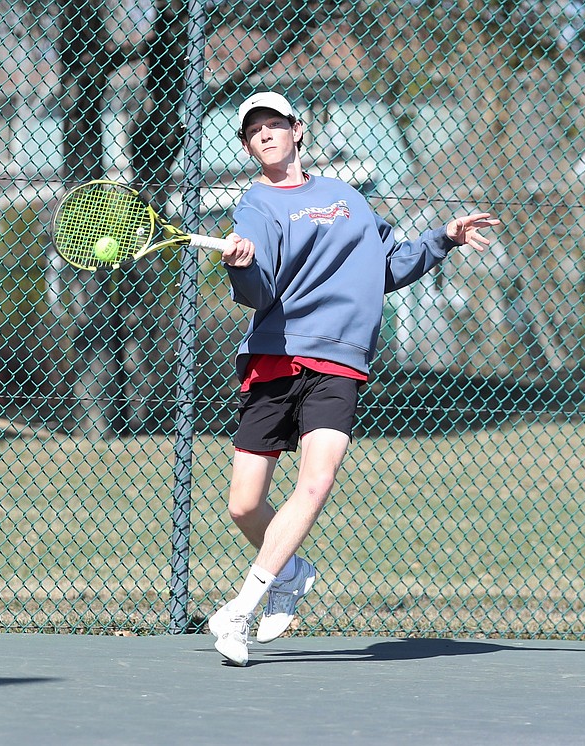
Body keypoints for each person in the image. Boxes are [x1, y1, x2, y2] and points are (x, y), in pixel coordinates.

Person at [208, 91, 501, 666]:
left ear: (297, 130)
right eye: (252, 131)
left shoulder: (349, 200)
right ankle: (289, 573)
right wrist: (240, 267)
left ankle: (242, 609)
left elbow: (387, 265)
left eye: (272, 124)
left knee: (316, 482)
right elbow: (259, 290)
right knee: (244, 505)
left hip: (340, 359)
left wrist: (443, 238)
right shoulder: (255, 207)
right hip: (276, 355)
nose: (263, 135)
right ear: (248, 147)